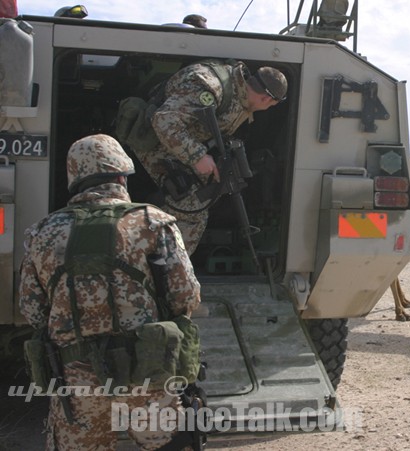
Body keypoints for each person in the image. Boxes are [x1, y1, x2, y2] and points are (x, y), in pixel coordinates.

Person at [19, 134, 202, 450]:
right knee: (167, 444)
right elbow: (185, 295)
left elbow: (32, 310)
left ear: (76, 179)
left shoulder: (42, 233)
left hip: (75, 381)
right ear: (121, 176)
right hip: (147, 371)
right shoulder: (153, 222)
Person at [131, 60, 287, 255]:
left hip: (179, 143)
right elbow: (163, 120)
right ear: (265, 99)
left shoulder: (241, 95)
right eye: (271, 105)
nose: (267, 109)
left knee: (209, 190)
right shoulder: (212, 88)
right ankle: (166, 269)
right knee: (193, 209)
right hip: (153, 139)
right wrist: (197, 157)